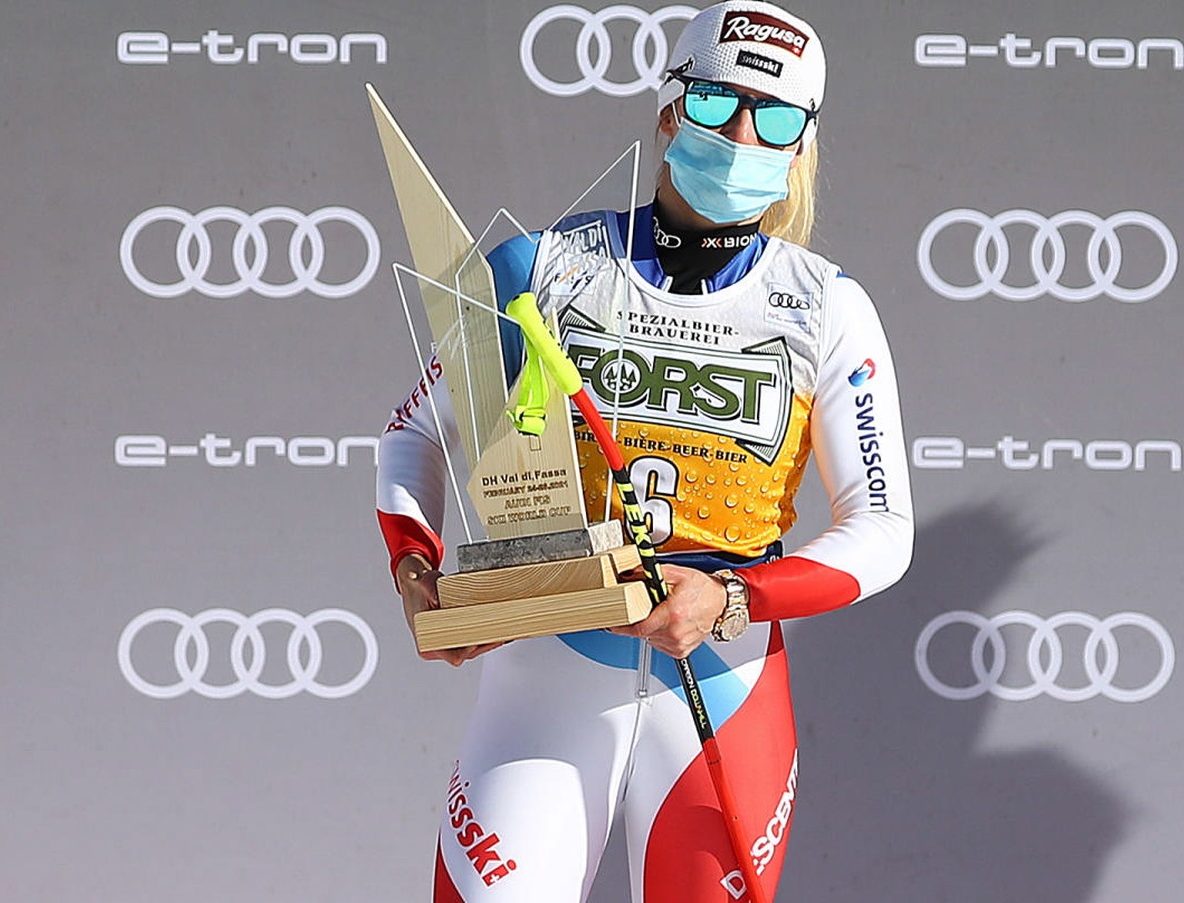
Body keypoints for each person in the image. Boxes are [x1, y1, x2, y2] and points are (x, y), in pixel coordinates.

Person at [375, 2, 913, 899]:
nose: (743, 135)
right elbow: (414, 435)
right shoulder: (535, 268)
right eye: (716, 105)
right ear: (669, 110)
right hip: (548, 660)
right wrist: (416, 570)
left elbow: (884, 529)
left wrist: (734, 594)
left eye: (775, 118)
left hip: (721, 680)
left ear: (800, 146)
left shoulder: (827, 307)